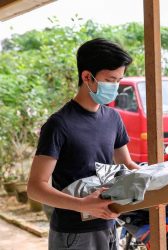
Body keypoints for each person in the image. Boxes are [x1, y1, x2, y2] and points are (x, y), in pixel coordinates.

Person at [27, 38, 140, 250]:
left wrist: (159, 184)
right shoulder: (59, 124)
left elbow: (126, 165)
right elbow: (35, 187)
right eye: (110, 79)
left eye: (119, 80)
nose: (115, 87)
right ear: (87, 77)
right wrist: (81, 204)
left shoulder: (113, 118)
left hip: (108, 224)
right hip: (74, 233)